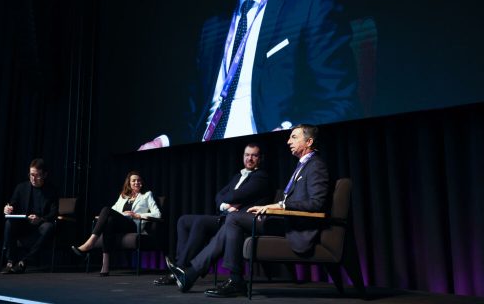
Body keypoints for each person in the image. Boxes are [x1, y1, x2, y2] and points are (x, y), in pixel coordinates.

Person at [139, 0, 358, 150]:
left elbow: (339, 102)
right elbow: (195, 116)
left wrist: (292, 132)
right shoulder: (214, 26)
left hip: (267, 155)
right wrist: (164, 140)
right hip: (207, 157)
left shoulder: (311, 1)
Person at [166, 124, 329, 297]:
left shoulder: (315, 165)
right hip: (284, 219)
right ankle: (196, 275)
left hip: (295, 225)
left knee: (234, 219)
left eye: (294, 137)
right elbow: (292, 200)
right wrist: (272, 206)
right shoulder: (303, 165)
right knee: (233, 220)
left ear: (309, 141)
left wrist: (280, 206)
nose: (288, 141)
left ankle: (226, 279)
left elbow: (316, 203)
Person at [154, 143, 271, 286]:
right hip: (226, 216)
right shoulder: (237, 176)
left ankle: (179, 268)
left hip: (239, 221)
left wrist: (228, 199)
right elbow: (219, 195)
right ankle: (181, 266)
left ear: (260, 158)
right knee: (184, 220)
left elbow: (237, 195)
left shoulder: (261, 177)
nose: (250, 158)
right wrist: (225, 205)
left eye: (254, 155)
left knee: (200, 222)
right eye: (247, 155)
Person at [71, 170, 161, 276]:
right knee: (108, 221)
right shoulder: (123, 196)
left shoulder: (146, 195)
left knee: (106, 211)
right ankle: (105, 266)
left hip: (133, 225)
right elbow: (113, 211)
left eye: (138, 180)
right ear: (129, 183)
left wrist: (138, 215)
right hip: (121, 223)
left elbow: (157, 214)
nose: (136, 182)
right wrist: (102, 218)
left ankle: (90, 244)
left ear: (142, 182)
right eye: (133, 180)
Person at [1, 158, 59, 274]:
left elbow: (54, 213)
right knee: (9, 222)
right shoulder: (21, 188)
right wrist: (8, 209)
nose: (33, 178)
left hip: (40, 226)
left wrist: (40, 219)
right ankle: (10, 260)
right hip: (23, 225)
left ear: (45, 175)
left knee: (49, 227)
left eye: (37, 175)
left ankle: (24, 262)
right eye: (31, 174)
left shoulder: (51, 190)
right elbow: (12, 204)